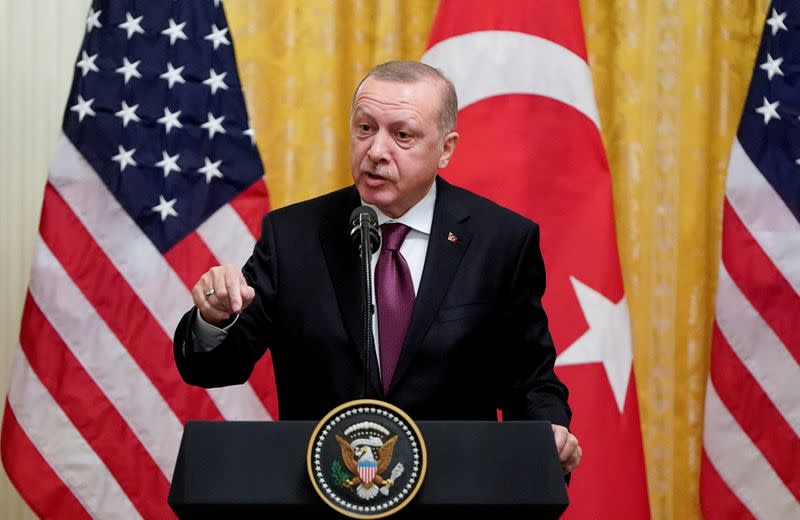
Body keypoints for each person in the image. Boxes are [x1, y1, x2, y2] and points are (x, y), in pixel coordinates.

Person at [173, 60, 582, 475]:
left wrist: (548, 433)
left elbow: (530, 382)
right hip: (322, 492)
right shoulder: (292, 236)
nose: (376, 151)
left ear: (446, 148)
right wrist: (213, 317)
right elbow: (215, 366)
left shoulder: (501, 242)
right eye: (365, 128)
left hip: (456, 492)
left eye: (402, 135)